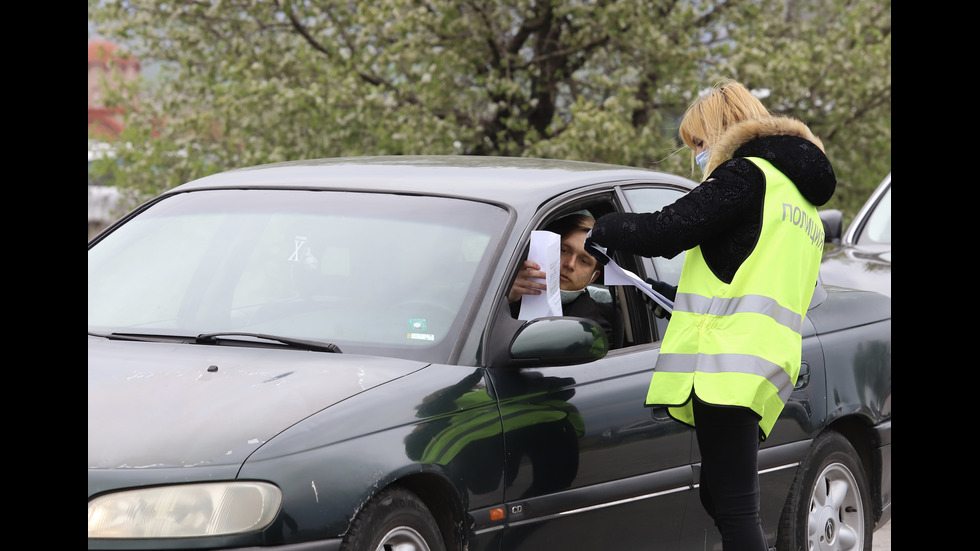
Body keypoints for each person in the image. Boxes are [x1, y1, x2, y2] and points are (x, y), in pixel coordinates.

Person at [585, 78, 836, 551]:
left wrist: (603, 228)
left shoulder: (746, 176)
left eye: (699, 143)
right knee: (721, 496)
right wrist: (662, 290)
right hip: (765, 361)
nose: (698, 155)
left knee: (735, 505)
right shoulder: (796, 198)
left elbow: (667, 229)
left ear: (722, 130)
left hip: (728, 363)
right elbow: (739, 273)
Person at [508, 213, 613, 344]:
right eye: (563, 250)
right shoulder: (507, 291)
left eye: (583, 261)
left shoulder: (592, 327)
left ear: (593, 278)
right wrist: (505, 298)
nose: (570, 264)